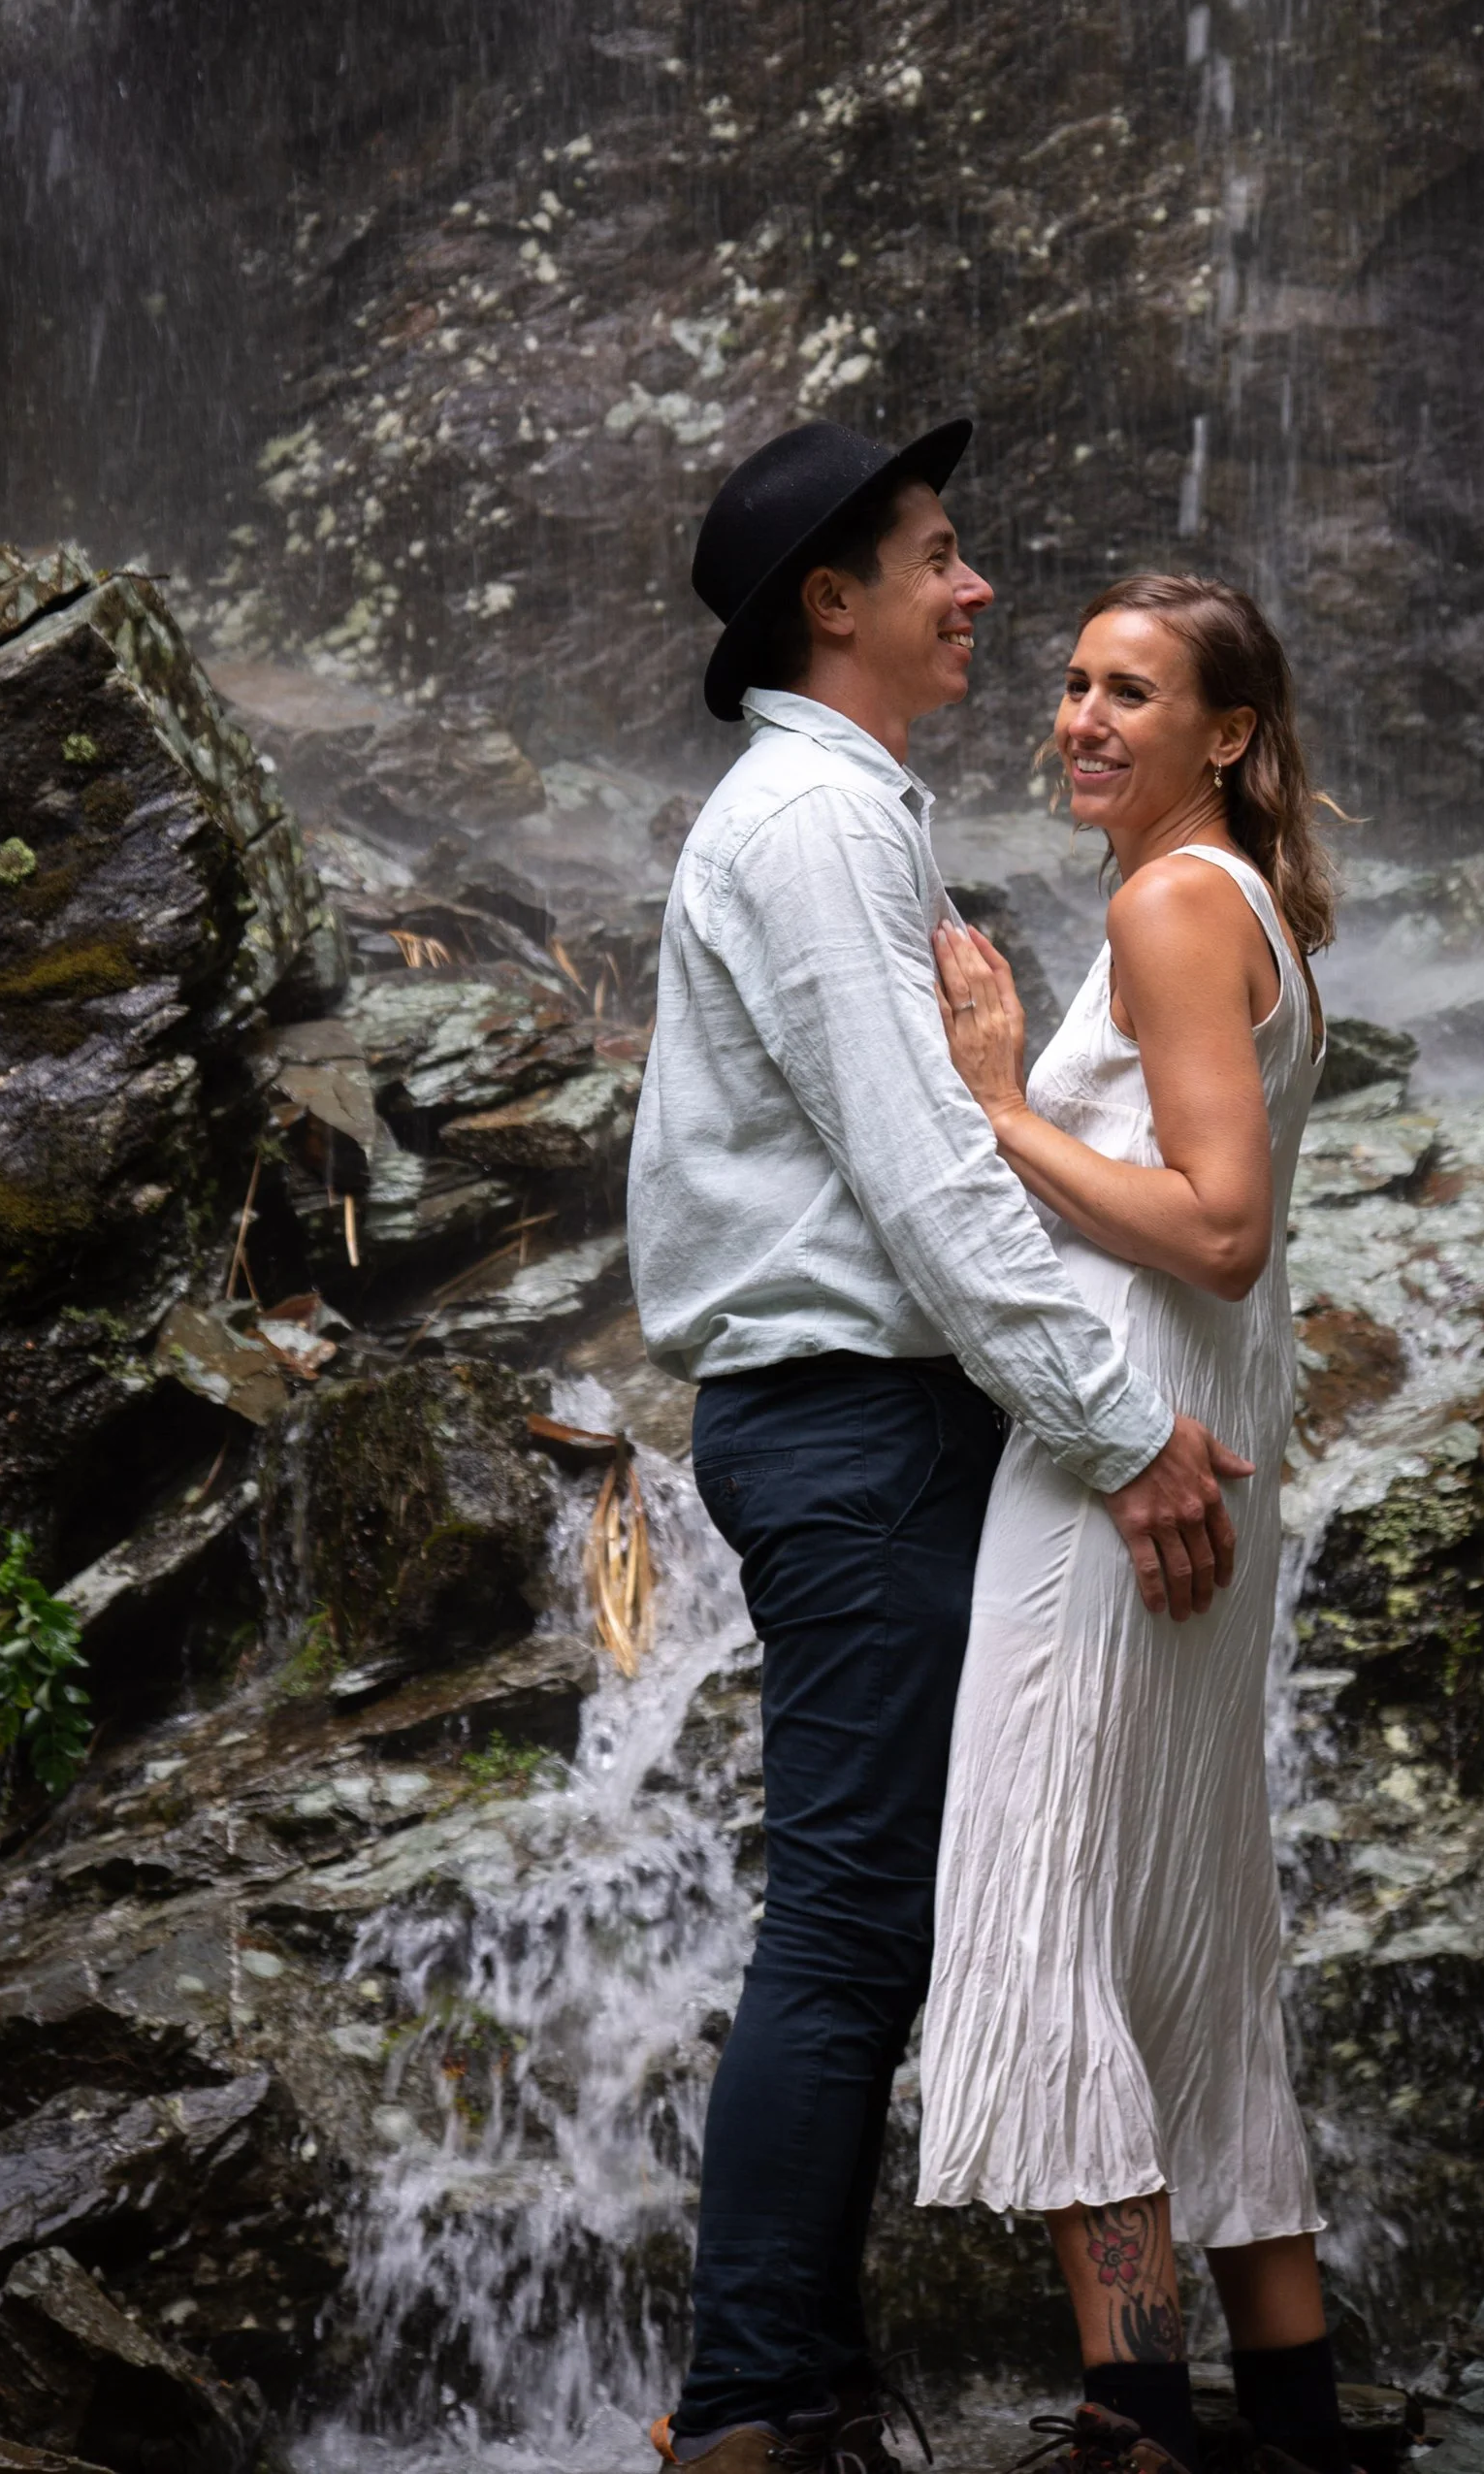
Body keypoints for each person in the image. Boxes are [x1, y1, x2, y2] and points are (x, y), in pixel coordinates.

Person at [629, 424, 1255, 2474]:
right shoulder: (811, 828)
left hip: (862, 1419)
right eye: (940, 557)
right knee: (841, 1920)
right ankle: (750, 2407)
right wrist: (1117, 1428)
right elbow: (917, 1171)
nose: (977, 594)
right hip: (847, 1421)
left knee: (866, 1915)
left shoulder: (841, 813)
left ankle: (788, 2388)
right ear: (834, 599)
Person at [917, 573, 1349, 2474]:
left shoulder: (1173, 904)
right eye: (1071, 685)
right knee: (1185, 1937)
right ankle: (1296, 2417)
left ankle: (1130, 2415)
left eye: (1134, 693)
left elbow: (1218, 1225)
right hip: (1190, 1454)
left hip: (1116, 1482)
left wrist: (994, 1104)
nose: (1082, 718)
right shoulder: (1235, 905)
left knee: (1049, 1907)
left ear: (1227, 737)